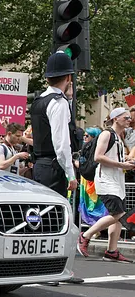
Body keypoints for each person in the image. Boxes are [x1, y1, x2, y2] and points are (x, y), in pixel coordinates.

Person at [77, 108, 135, 262]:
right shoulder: (107, 134)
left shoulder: (118, 136)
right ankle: (85, 236)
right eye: (126, 117)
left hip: (117, 181)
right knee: (118, 214)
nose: (129, 120)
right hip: (106, 181)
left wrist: (126, 163)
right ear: (116, 118)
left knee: (118, 216)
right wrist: (122, 165)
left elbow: (113, 158)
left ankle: (112, 251)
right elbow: (98, 157)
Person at [30, 51, 78, 197]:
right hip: (53, 168)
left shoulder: (39, 101)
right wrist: (71, 174)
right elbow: (61, 144)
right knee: (54, 216)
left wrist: (68, 98)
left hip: (39, 165)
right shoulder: (58, 102)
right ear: (69, 77)